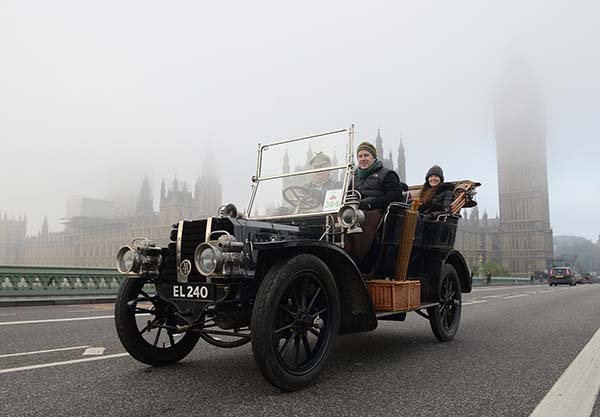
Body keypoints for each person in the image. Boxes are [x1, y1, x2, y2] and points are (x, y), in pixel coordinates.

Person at [345, 141, 408, 265]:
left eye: (366, 155)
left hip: (377, 211)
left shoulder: (387, 174)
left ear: (373, 157)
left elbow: (395, 196)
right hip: (355, 210)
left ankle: (356, 260)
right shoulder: (353, 177)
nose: (363, 159)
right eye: (360, 156)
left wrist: (371, 203)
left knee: (361, 223)